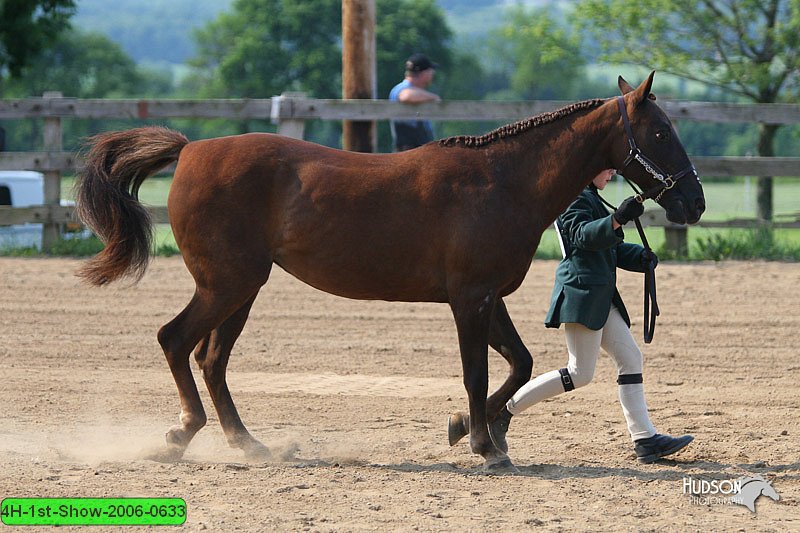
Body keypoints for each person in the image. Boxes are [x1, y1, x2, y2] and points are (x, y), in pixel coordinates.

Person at [449, 169, 694, 464]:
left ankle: (645, 440)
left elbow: (608, 250)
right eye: (608, 167)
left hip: (601, 297)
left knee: (630, 359)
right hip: (582, 295)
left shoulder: (591, 197)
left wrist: (638, 258)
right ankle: (501, 411)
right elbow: (582, 237)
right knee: (579, 373)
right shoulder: (571, 198)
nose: (613, 172)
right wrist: (617, 219)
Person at [389, 53, 440, 151]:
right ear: (423, 73)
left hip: (415, 149)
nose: (432, 74)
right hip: (408, 150)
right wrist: (434, 97)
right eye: (430, 71)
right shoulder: (401, 88)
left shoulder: (415, 91)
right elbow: (406, 96)